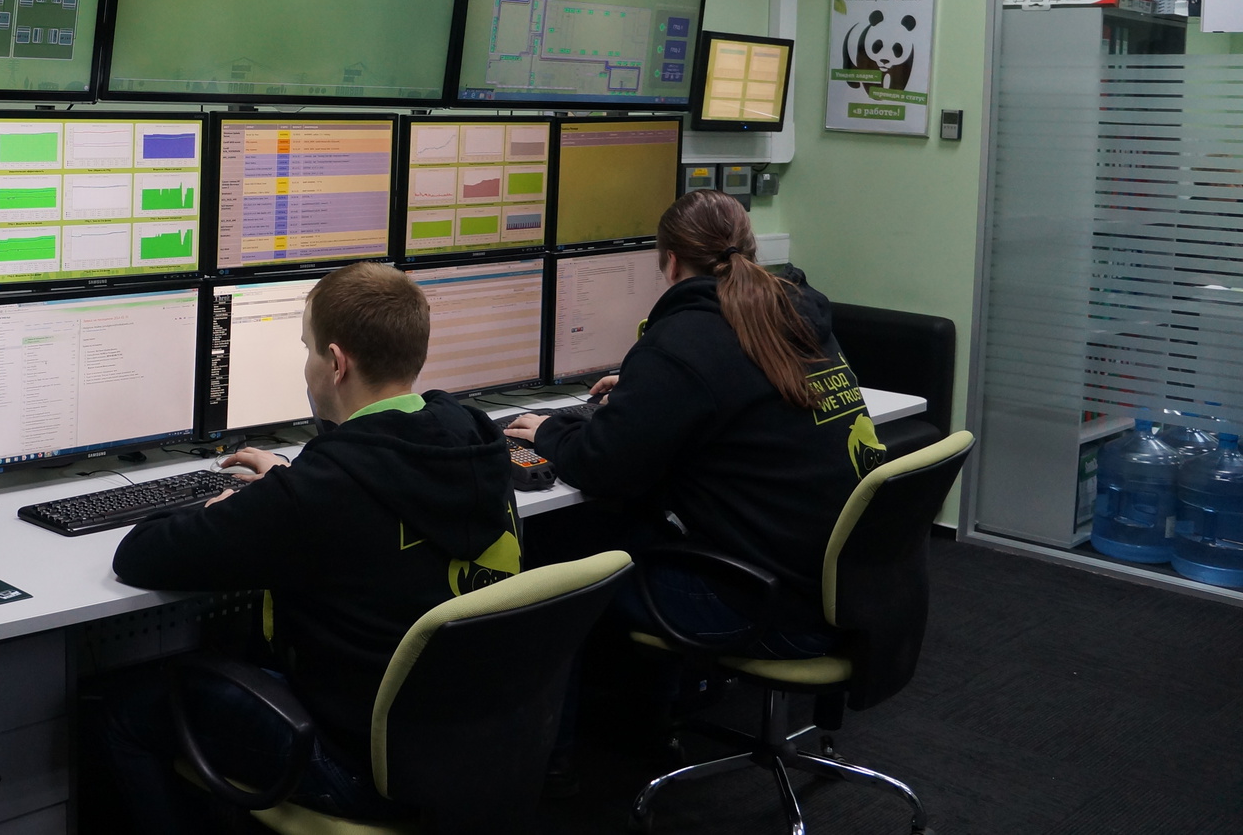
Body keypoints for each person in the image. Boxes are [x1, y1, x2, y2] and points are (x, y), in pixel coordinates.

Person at [104, 262, 519, 833]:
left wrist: (232, 507)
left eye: (307, 349)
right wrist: (298, 478)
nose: (306, 365)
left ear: (337, 363)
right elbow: (363, 487)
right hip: (472, 749)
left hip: (358, 770)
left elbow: (139, 556)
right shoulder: (472, 445)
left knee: (127, 708)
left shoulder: (316, 495)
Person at [505, 189, 887, 658]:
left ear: (671, 263)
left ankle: (611, 706)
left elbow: (598, 466)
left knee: (557, 564)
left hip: (765, 605)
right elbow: (741, 381)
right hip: (841, 590)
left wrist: (550, 430)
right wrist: (650, 389)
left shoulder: (684, 341)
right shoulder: (793, 312)